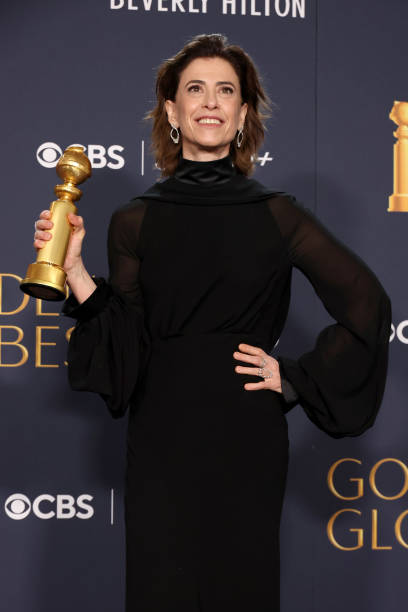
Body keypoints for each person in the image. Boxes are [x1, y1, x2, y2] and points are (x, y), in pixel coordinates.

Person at [33, 33, 391, 612]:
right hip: (161, 436)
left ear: (243, 113)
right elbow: (129, 340)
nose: (210, 101)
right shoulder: (133, 221)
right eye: (194, 89)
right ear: (171, 111)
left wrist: (297, 377)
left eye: (226, 90)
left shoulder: (278, 214)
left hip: (245, 432)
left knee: (240, 588)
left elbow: (368, 304)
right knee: (161, 588)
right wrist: (73, 270)